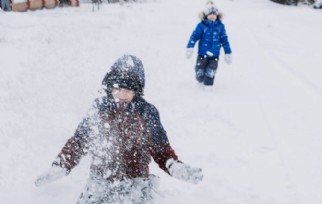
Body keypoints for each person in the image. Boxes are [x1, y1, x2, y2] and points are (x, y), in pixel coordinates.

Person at [34, 55, 203, 204]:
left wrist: (173, 165)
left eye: (127, 89)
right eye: (117, 88)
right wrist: (61, 166)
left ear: (137, 91)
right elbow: (80, 141)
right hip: (100, 177)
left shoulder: (147, 113)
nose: (121, 94)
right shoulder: (99, 109)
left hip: (136, 179)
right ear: (110, 88)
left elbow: (160, 148)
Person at [186, 1, 232, 87]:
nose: (212, 16)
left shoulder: (220, 27)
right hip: (202, 55)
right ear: (206, 15)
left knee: (210, 74)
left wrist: (228, 53)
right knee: (199, 74)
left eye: (214, 14)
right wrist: (190, 47)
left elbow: (225, 40)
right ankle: (199, 83)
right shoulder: (201, 26)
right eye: (210, 14)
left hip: (214, 56)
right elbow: (194, 36)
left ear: (217, 15)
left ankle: (208, 90)